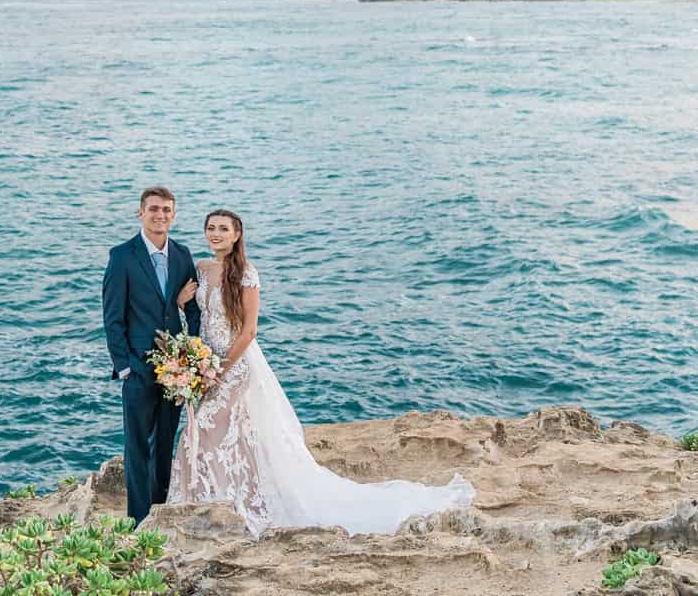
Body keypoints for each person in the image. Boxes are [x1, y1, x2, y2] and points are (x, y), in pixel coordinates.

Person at [166, 209, 474, 535]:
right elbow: (202, 319)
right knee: (223, 434)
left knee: (209, 428)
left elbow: (249, 331)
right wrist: (180, 305)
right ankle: (216, 496)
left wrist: (221, 370)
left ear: (236, 234)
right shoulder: (201, 268)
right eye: (211, 228)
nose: (216, 234)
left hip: (235, 364)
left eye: (223, 229)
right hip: (206, 361)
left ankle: (232, 502)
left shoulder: (246, 273)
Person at [101, 186, 203, 523]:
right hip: (138, 368)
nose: (160, 215)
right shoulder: (122, 256)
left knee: (164, 444)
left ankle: (161, 511)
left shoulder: (183, 254)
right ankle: (138, 520)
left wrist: (193, 353)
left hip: (176, 367)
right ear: (140, 213)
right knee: (137, 446)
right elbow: (112, 317)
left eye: (167, 210)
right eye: (154, 209)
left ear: (173, 215)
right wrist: (125, 367)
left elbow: (193, 308)